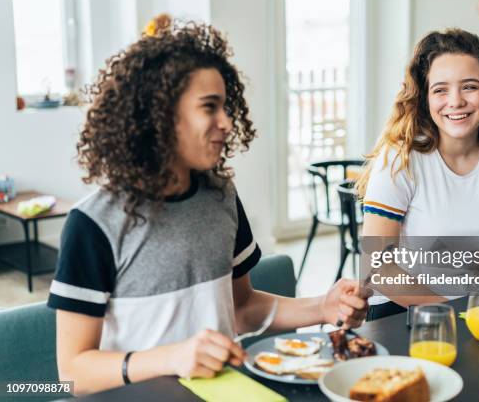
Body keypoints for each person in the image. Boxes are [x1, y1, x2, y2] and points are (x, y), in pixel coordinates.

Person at [47, 21, 369, 395]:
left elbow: (243, 308)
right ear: (160, 116)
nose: (227, 123)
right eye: (209, 108)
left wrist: (322, 306)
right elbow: (71, 372)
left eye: (225, 106)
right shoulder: (93, 223)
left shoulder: (221, 196)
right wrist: (172, 357)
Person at [356, 28, 479, 321]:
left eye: (470, 86)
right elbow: (379, 270)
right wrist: (450, 314)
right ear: (425, 100)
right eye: (440, 90)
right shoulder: (400, 160)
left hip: (471, 312)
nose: (456, 101)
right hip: (398, 313)